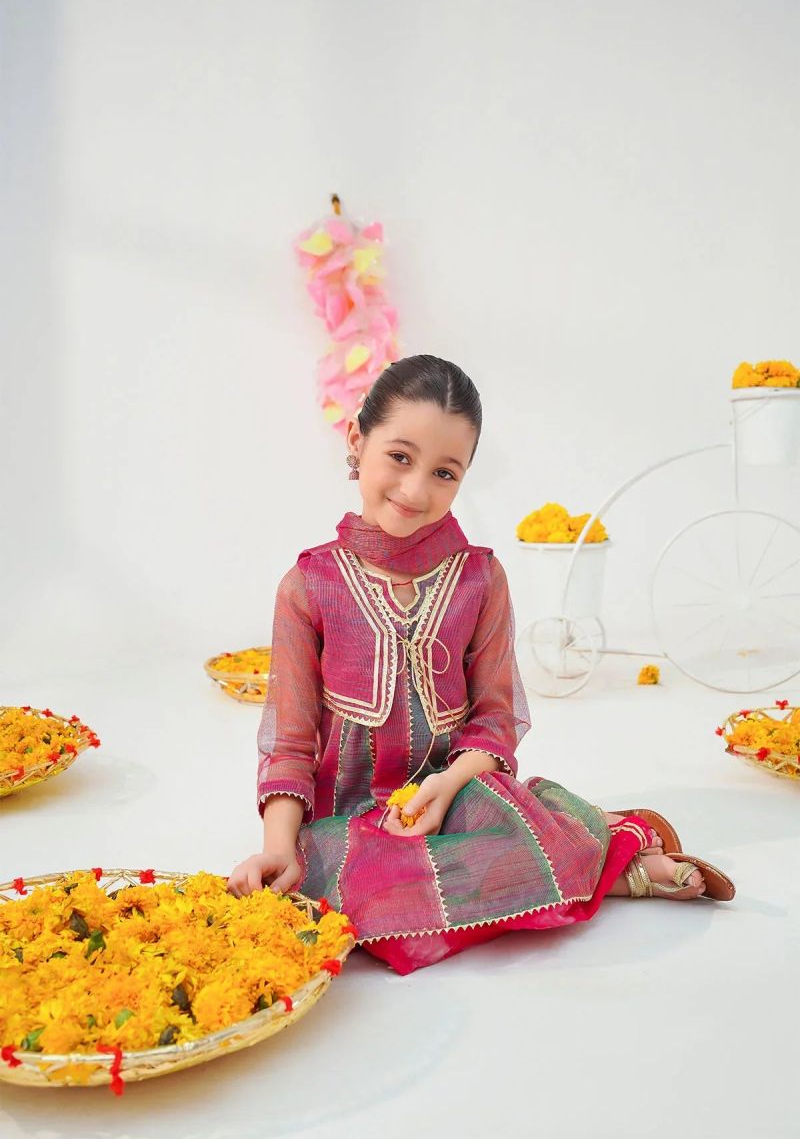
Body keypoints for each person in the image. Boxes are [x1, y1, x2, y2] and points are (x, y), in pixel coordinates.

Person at [228, 355, 734, 974]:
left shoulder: (480, 579)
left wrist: (446, 787)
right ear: (357, 439)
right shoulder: (308, 585)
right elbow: (288, 742)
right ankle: (599, 853)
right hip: (349, 821)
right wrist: (279, 849)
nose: (416, 490)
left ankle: (602, 855)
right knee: (347, 890)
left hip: (461, 797)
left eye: (444, 472)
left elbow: (494, 719)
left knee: (508, 825)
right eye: (400, 457)